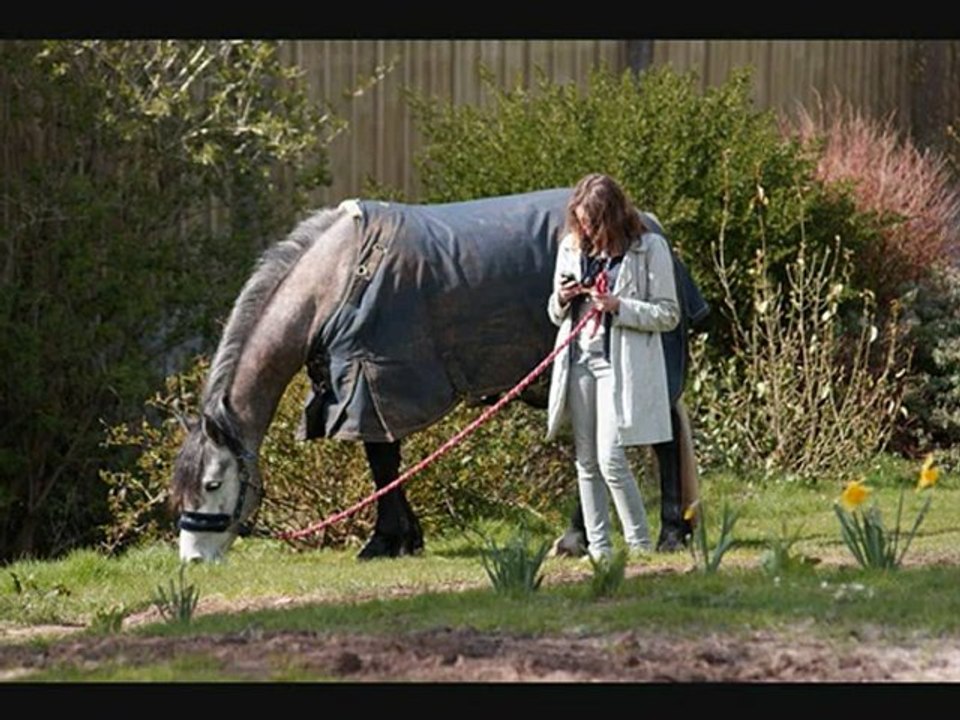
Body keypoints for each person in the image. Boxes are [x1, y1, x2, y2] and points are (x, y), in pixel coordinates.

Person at [545, 173, 681, 562]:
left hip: (619, 367)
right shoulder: (571, 246)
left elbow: (668, 314)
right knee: (585, 460)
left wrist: (619, 307)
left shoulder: (649, 249)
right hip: (579, 363)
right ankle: (600, 551)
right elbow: (554, 314)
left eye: (593, 221)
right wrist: (562, 297)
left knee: (610, 458)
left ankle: (638, 546)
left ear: (612, 216)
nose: (586, 228)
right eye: (581, 220)